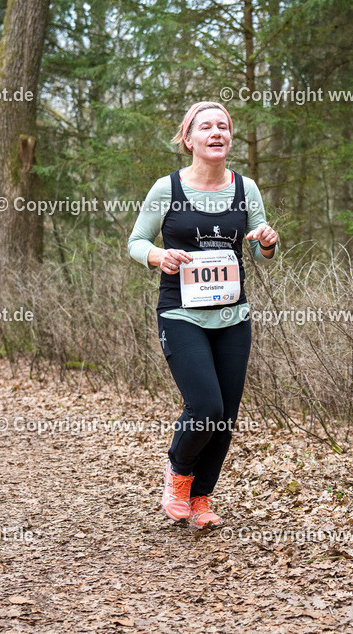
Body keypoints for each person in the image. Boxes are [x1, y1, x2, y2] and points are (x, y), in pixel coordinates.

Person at [127, 101, 278, 529]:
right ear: (188, 139)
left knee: (225, 415)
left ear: (230, 138)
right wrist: (158, 255)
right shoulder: (167, 189)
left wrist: (267, 240)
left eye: (224, 126)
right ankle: (178, 475)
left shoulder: (244, 189)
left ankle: (201, 498)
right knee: (206, 405)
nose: (217, 132)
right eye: (206, 127)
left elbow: (259, 249)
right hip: (181, 314)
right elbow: (136, 241)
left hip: (233, 316)